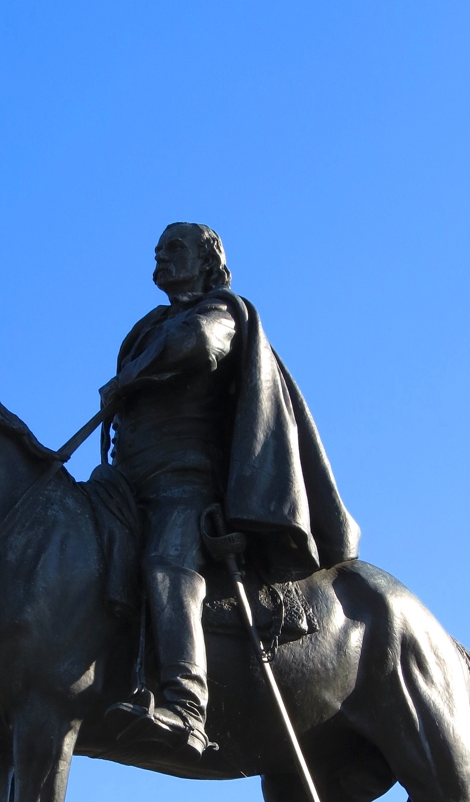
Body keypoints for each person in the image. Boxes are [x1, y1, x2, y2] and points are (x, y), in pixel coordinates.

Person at [100, 223, 359, 754]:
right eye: (158, 250)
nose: (161, 256)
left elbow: (200, 344)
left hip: (183, 480)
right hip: (124, 480)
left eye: (175, 248)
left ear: (207, 258)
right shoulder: (149, 325)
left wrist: (130, 378)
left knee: (167, 565)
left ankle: (185, 705)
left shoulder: (220, 310)